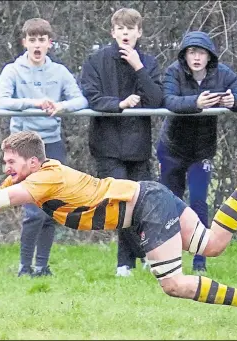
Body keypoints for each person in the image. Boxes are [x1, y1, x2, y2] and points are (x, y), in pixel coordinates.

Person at [0, 130, 237, 326]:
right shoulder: (25, 179)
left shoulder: (44, 177)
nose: (6, 168)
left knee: (173, 283)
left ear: (33, 161)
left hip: (145, 206)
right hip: (147, 197)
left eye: (11, 162)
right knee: (213, 244)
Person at [0, 18, 88, 277]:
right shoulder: (12, 70)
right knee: (33, 212)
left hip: (52, 145)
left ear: (50, 43)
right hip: (23, 147)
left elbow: (80, 99)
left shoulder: (59, 72)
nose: (37, 45)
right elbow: (1, 101)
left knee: (50, 211)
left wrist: (62, 107)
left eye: (42, 40)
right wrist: (33, 104)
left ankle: (42, 267)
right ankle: (24, 267)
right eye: (32, 40)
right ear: (25, 42)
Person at [160, 31, 237, 272]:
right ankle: (170, 258)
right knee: (171, 203)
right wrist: (196, 103)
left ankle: (200, 260)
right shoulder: (174, 71)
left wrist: (234, 103)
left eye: (201, 52)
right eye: (192, 52)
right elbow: (168, 100)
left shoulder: (222, 73)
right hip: (172, 148)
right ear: (185, 55)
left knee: (200, 201)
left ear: (209, 56)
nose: (197, 57)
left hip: (202, 150)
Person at [79, 8, 163, 277]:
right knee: (120, 203)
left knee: (140, 203)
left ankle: (126, 263)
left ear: (139, 32)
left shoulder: (148, 62)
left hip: (138, 147)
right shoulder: (96, 60)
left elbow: (156, 99)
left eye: (131, 28)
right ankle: (139, 256)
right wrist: (119, 104)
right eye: (121, 28)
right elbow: (92, 97)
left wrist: (138, 67)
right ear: (112, 32)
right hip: (107, 145)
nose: (126, 33)